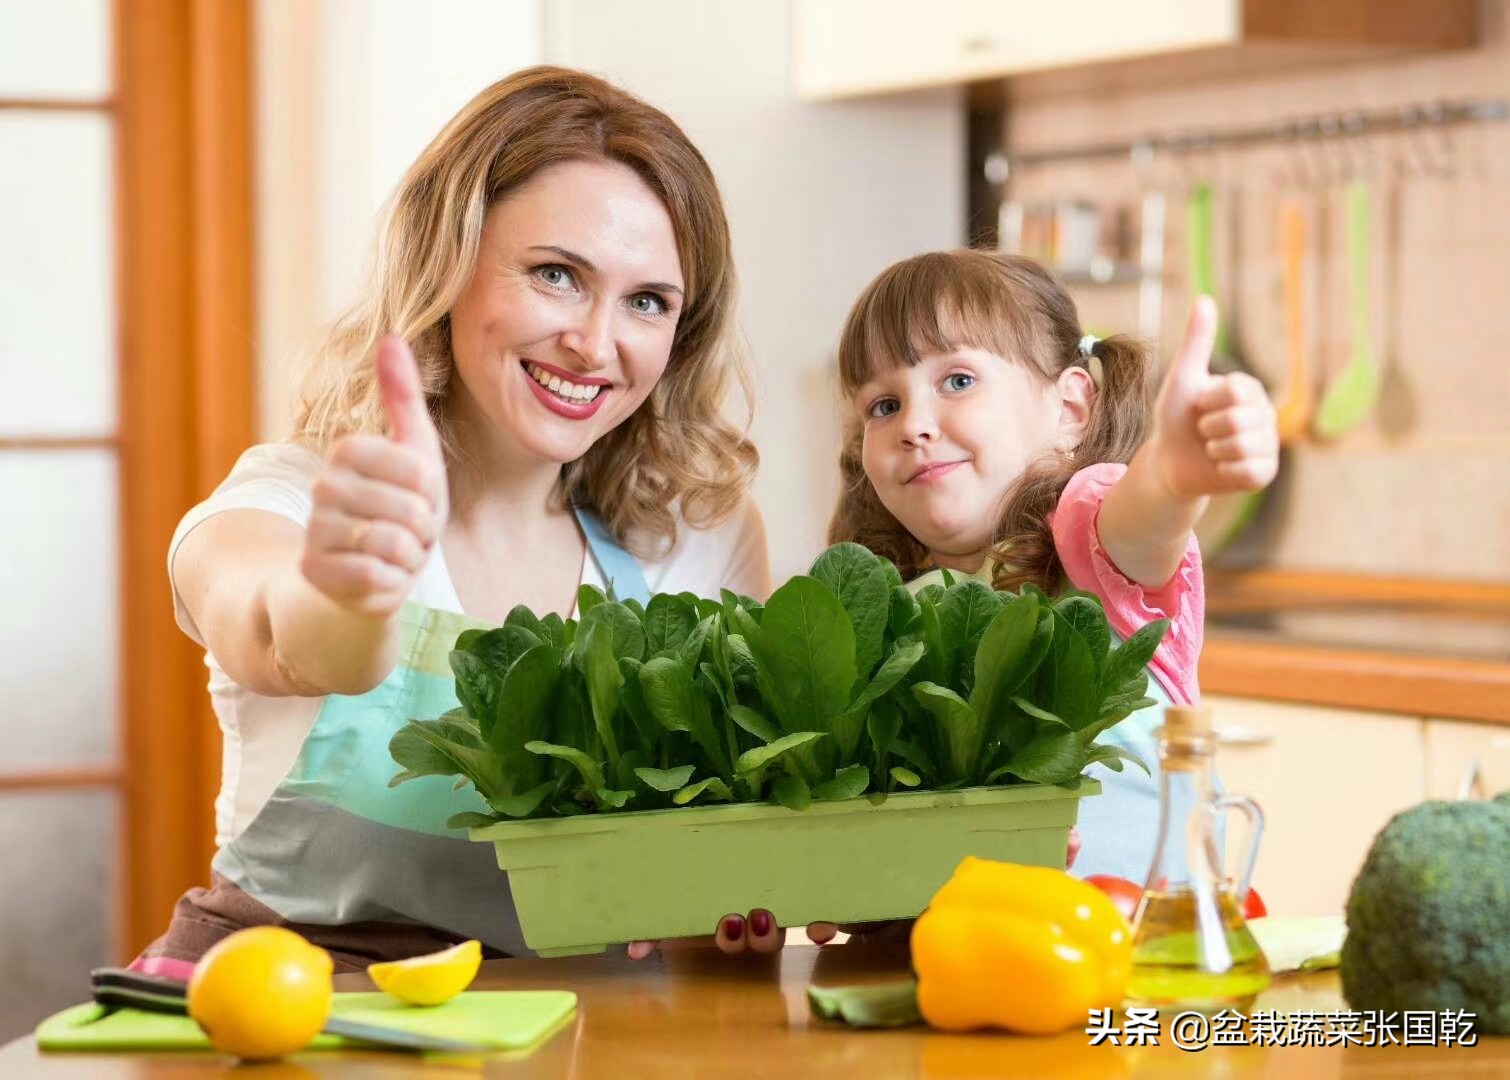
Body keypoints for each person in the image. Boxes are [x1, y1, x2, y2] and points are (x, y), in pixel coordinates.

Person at [135, 66, 781, 975]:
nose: (597, 345)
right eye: (556, 275)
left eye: (647, 301)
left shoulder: (696, 535)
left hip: (583, 1030)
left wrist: (746, 887)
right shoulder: (292, 501)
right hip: (292, 1014)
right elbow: (279, 634)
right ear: (449, 263)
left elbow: (729, 838)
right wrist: (355, 594)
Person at [827, 249, 1278, 881]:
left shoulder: (1085, 537)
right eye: (883, 405)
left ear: (1070, 409)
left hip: (1146, 951)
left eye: (957, 381)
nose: (914, 425)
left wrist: (1174, 473)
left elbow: (1142, 520)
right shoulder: (891, 603)